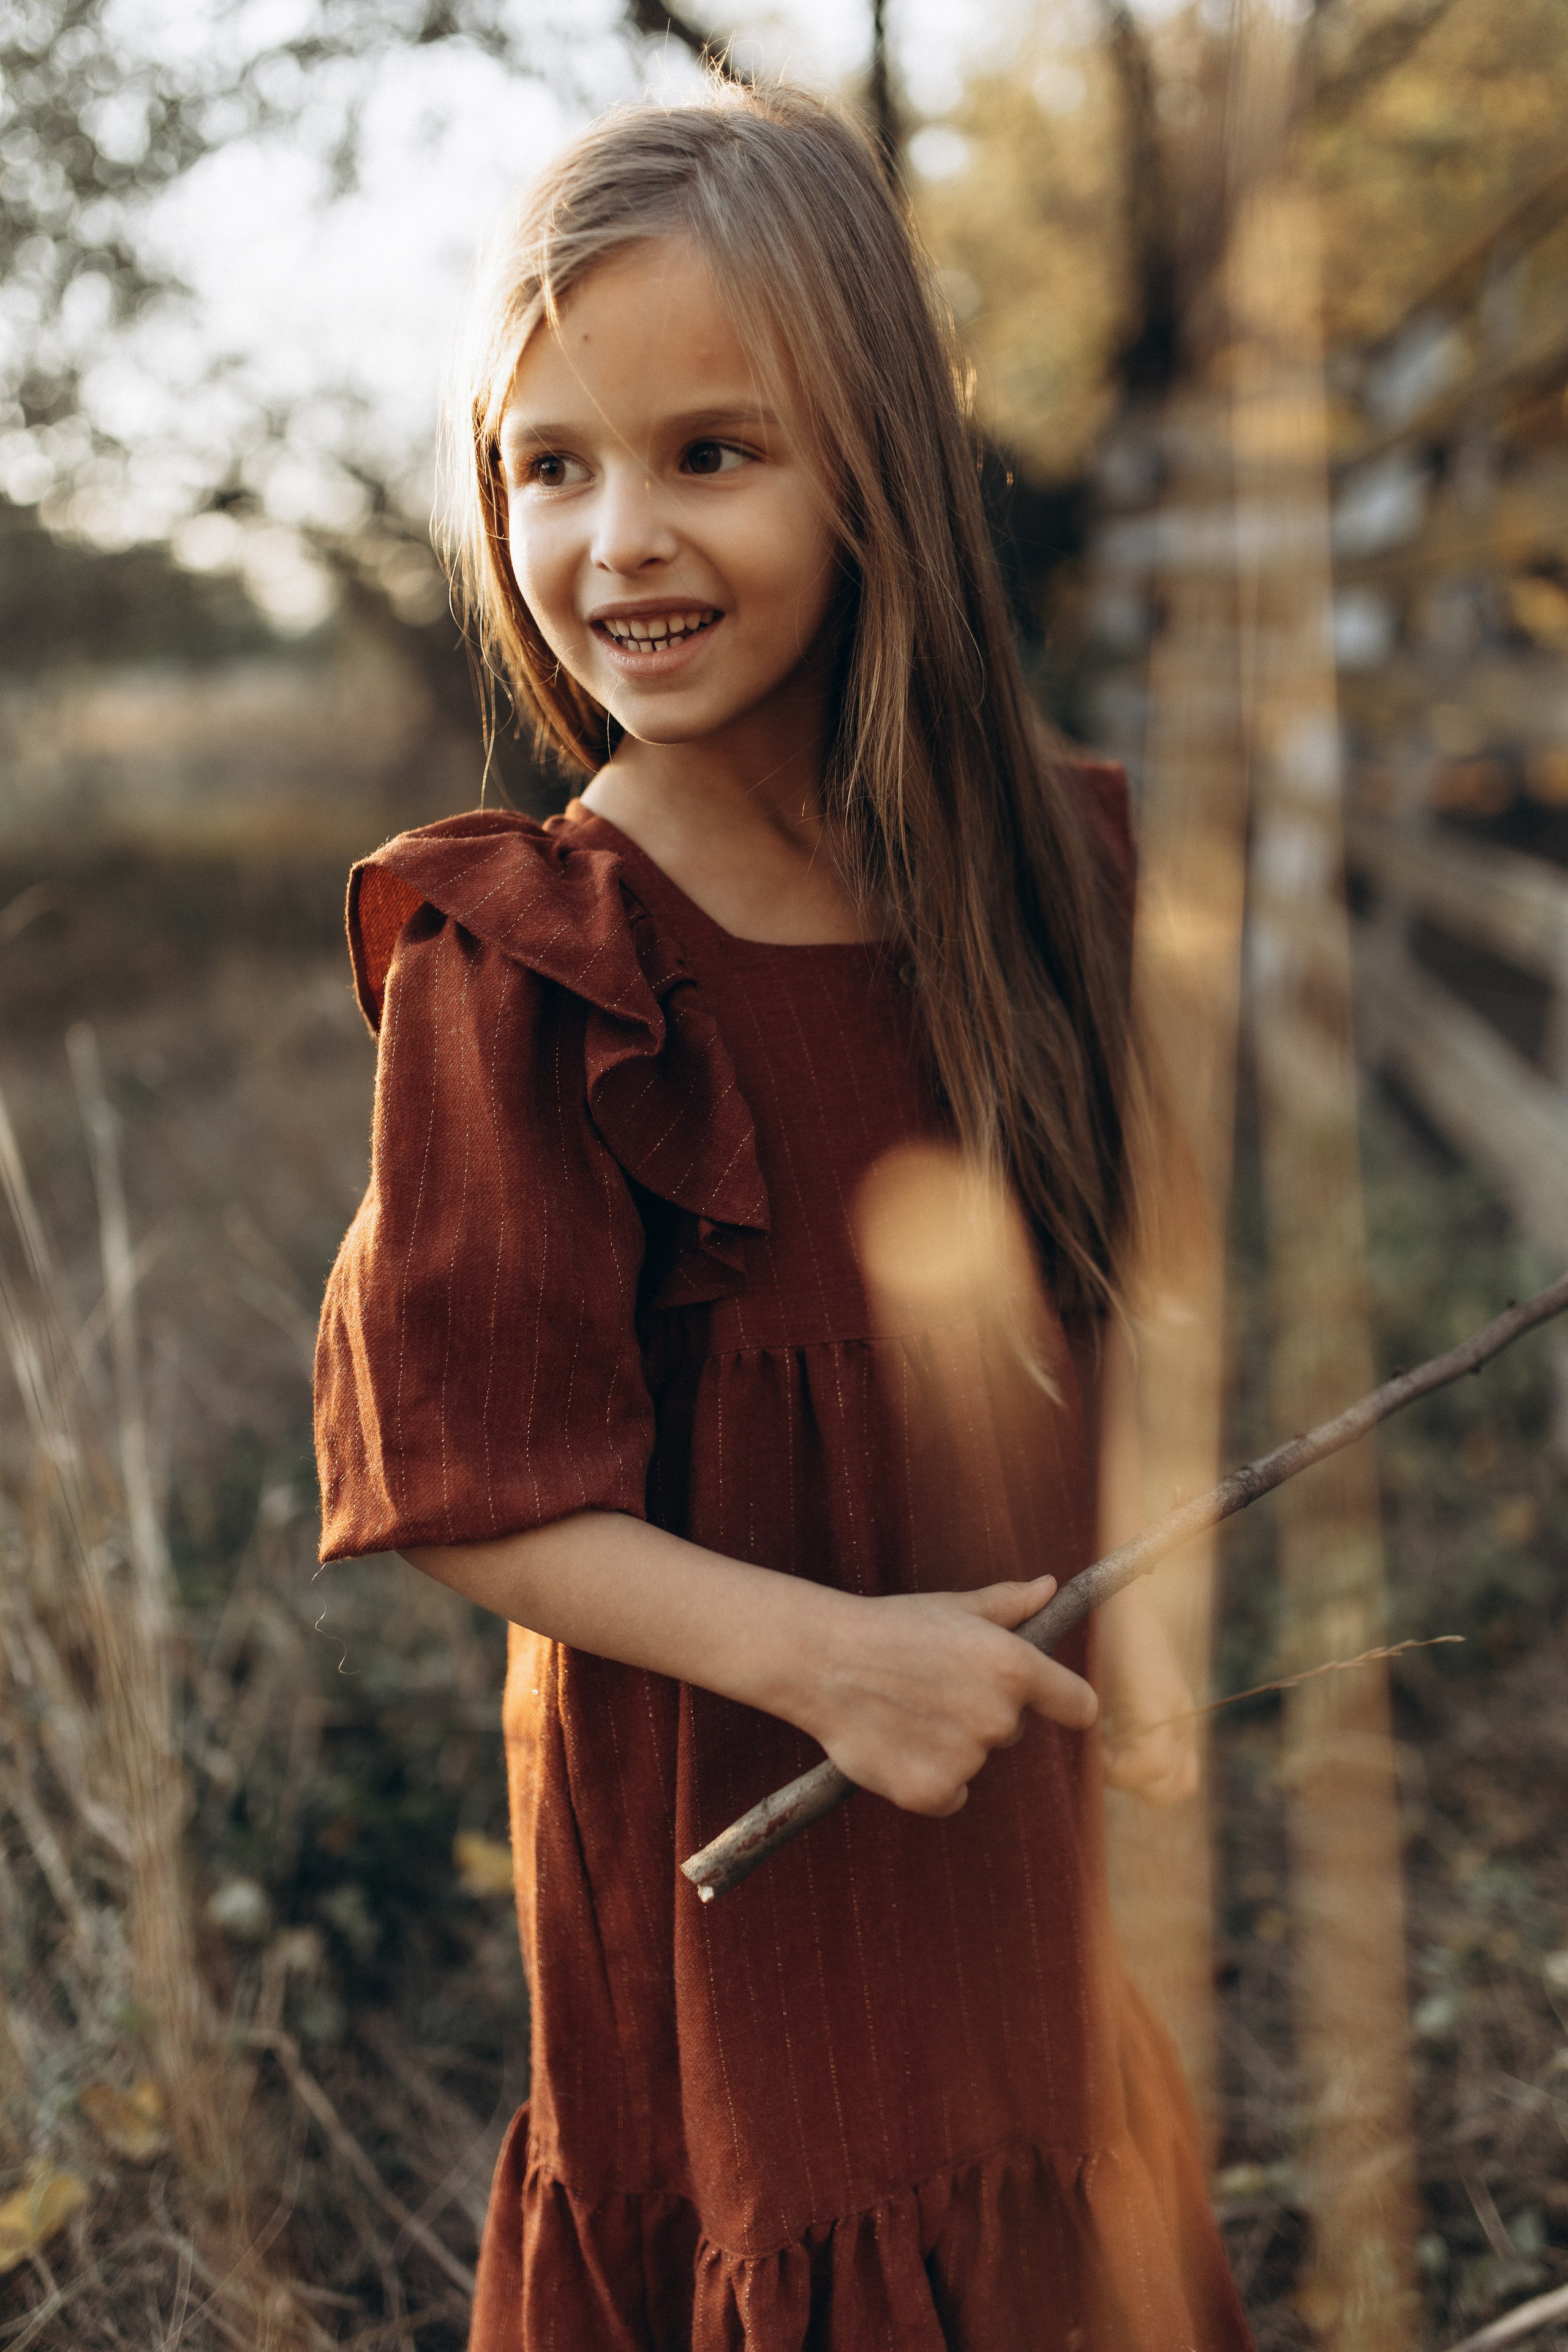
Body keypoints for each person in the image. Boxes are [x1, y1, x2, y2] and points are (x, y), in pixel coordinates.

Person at [314, 77, 1253, 2352]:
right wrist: (838, 1657)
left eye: (708, 454)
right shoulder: (533, 961)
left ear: (876, 470)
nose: (615, 538)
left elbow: (1110, 1312)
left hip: (1011, 1848)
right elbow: (455, 1486)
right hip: (737, 1858)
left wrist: (1136, 1607)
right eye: (552, 466)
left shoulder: (1053, 875)